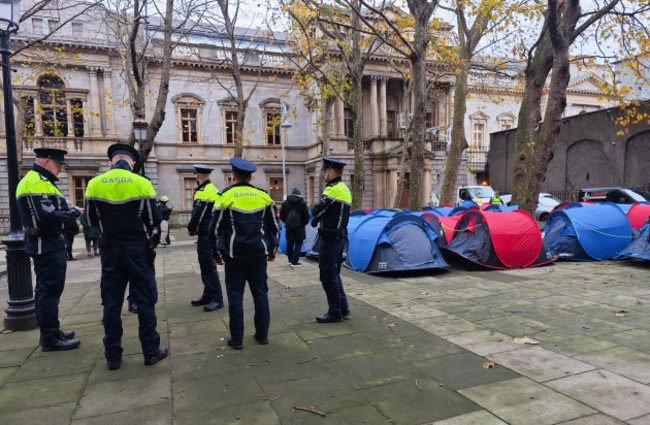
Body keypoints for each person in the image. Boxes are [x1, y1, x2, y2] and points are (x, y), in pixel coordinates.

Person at [85, 143, 167, 370]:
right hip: (138, 250)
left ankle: (113, 356)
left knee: (111, 304)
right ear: (131, 163)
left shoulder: (93, 184)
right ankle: (150, 352)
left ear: (112, 162)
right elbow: (154, 219)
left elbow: (90, 221)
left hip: (110, 249)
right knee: (145, 300)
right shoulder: (142, 183)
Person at [210, 158, 280, 349]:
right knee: (260, 293)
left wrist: (216, 254)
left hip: (234, 256)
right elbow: (275, 227)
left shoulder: (224, 197)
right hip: (258, 255)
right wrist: (272, 250)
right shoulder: (264, 197)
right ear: (251, 177)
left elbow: (214, 230)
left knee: (235, 295)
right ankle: (262, 335)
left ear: (232, 176)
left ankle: (237, 339)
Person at [16, 148, 82, 351]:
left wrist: (66, 212)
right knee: (48, 291)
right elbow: (48, 217)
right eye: (58, 165)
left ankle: (51, 332)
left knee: (48, 290)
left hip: (48, 242)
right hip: (45, 243)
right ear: (46, 162)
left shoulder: (41, 181)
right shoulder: (36, 182)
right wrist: (72, 213)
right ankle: (50, 338)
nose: (60, 170)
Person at [310, 157, 351, 323]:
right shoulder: (344, 188)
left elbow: (316, 210)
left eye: (325, 171)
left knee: (327, 276)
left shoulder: (333, 190)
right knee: (335, 274)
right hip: (339, 237)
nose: (323, 175)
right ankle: (343, 307)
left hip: (331, 239)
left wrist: (314, 217)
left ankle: (335, 312)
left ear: (332, 171)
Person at [187, 164, 224, 312]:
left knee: (208, 266)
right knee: (206, 265)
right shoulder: (213, 189)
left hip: (206, 235)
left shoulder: (203, 191)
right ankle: (208, 294)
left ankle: (217, 298)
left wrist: (191, 228)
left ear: (197, 176)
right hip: (210, 233)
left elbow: (198, 214)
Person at [279, 187, 309, 267]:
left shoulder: (285, 203)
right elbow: (306, 216)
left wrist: (287, 222)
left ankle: (290, 260)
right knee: (298, 244)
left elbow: (281, 216)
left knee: (289, 243)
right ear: (299, 194)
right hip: (299, 227)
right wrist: (303, 223)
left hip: (289, 226)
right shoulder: (302, 203)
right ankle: (295, 261)